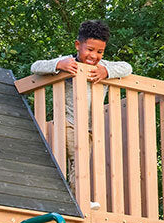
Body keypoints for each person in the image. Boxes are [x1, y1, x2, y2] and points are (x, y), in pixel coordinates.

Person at [31, 18, 133, 193]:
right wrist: (58, 64)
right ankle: (80, 199)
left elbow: (127, 67)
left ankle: (75, 197)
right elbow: (35, 67)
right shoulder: (69, 63)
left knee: (80, 165)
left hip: (91, 128)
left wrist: (106, 71)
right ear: (78, 45)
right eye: (90, 49)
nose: (94, 56)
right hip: (69, 122)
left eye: (100, 51)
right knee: (78, 160)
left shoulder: (103, 67)